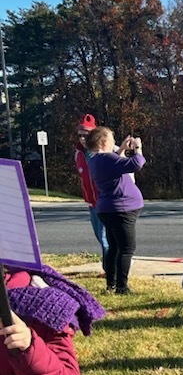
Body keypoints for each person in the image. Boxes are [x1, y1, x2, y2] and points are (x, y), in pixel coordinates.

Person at [85, 126, 145, 295]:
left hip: (108, 208)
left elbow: (113, 164)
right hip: (122, 209)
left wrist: (121, 149)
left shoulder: (95, 159)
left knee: (113, 247)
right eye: (111, 139)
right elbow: (137, 163)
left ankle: (111, 284)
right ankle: (122, 287)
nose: (113, 142)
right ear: (103, 142)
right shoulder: (106, 159)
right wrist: (138, 148)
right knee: (126, 248)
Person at [73, 113, 109, 268]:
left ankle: (111, 269)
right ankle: (111, 266)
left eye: (86, 134)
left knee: (106, 238)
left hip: (106, 201)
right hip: (92, 202)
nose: (82, 138)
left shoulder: (104, 151)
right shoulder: (79, 153)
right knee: (99, 236)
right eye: (80, 135)